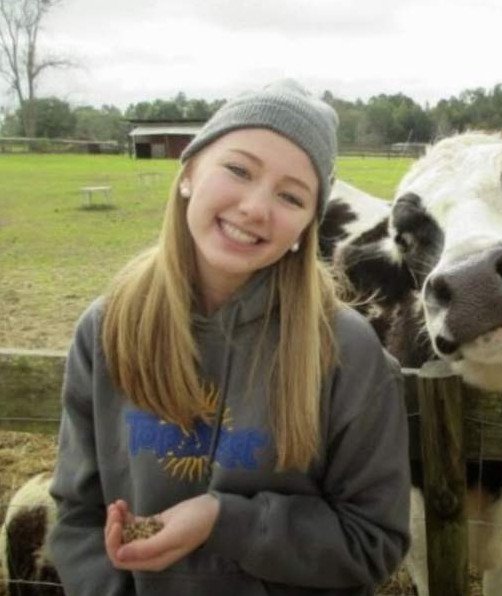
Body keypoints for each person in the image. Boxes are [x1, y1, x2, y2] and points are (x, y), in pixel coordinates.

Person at [49, 79, 411, 596]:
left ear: (307, 226)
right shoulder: (108, 328)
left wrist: (223, 521)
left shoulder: (345, 350)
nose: (256, 208)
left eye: (291, 196)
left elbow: (372, 541)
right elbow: (77, 517)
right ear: (189, 173)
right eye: (239, 170)